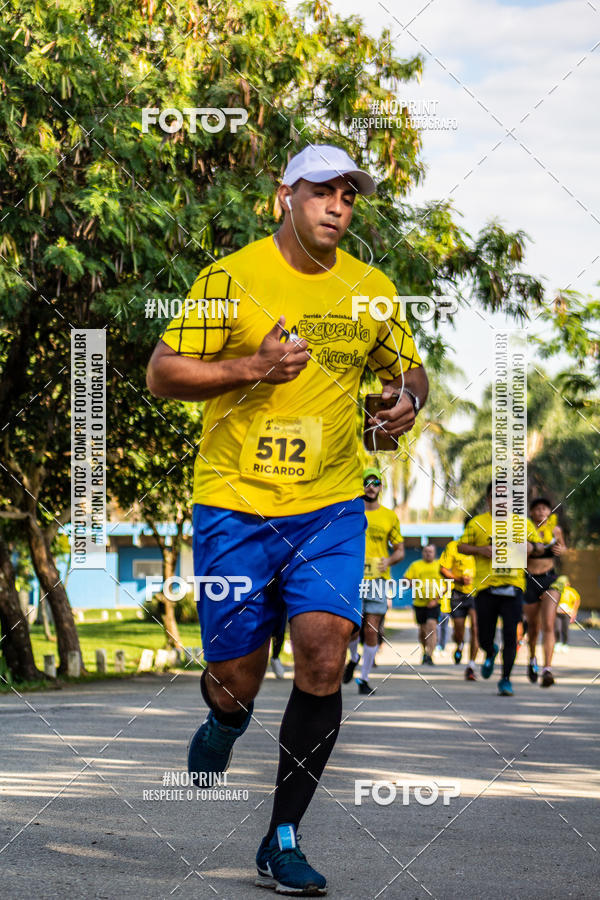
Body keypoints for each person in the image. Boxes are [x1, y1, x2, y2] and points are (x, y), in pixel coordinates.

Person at [146, 143, 428, 896]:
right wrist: (251, 369)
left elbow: (409, 367)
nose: (338, 206)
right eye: (322, 192)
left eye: (349, 195)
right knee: (236, 678)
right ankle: (224, 724)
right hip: (235, 504)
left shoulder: (373, 289)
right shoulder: (229, 279)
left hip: (330, 507)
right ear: (284, 195)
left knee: (324, 656)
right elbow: (163, 372)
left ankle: (282, 837)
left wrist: (408, 400)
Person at [458, 483, 542, 696]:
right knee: (484, 634)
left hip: (513, 587)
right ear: (488, 500)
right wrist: (480, 549)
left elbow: (539, 546)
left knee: (510, 635)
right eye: (495, 497)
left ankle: (505, 678)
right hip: (486, 588)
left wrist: (530, 547)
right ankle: (489, 650)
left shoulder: (521, 523)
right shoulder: (478, 524)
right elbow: (461, 546)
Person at [343, 466, 405, 694]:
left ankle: (364, 678)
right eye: (367, 482)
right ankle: (354, 657)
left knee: (371, 630)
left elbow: (400, 550)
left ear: (381, 486)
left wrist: (388, 561)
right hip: (353, 579)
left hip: (378, 580)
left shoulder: (389, 516)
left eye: (375, 482)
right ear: (362, 486)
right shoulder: (351, 512)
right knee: (351, 629)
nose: (371, 486)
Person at [524, 498, 567, 687]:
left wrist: (560, 549)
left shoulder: (555, 530)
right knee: (533, 627)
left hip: (549, 579)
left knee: (548, 623)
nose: (541, 511)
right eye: (537, 509)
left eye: (545, 509)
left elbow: (563, 548)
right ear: (532, 512)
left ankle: (547, 668)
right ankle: (532, 657)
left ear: (549, 512)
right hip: (529, 579)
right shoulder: (524, 528)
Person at [439, 536, 478, 680]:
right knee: (459, 630)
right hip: (458, 594)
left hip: (477, 593)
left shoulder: (484, 547)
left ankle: (471, 666)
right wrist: (458, 579)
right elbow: (442, 569)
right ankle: (460, 645)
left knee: (475, 628)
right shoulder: (453, 546)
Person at [404, 545, 447, 665]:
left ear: (434, 553)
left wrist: (436, 599)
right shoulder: (415, 565)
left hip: (434, 603)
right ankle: (424, 650)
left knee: (431, 627)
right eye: (426, 551)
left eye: (431, 552)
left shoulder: (440, 566)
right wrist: (410, 582)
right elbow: (405, 580)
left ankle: (430, 655)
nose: (428, 554)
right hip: (419, 603)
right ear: (423, 553)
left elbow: (447, 585)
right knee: (423, 631)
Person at [553, 575, 580, 651]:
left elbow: (577, 600)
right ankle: (557, 643)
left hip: (567, 614)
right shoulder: (556, 590)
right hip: (557, 613)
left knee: (565, 629)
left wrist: (574, 612)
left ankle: (565, 644)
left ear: (567, 583)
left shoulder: (571, 591)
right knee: (557, 628)